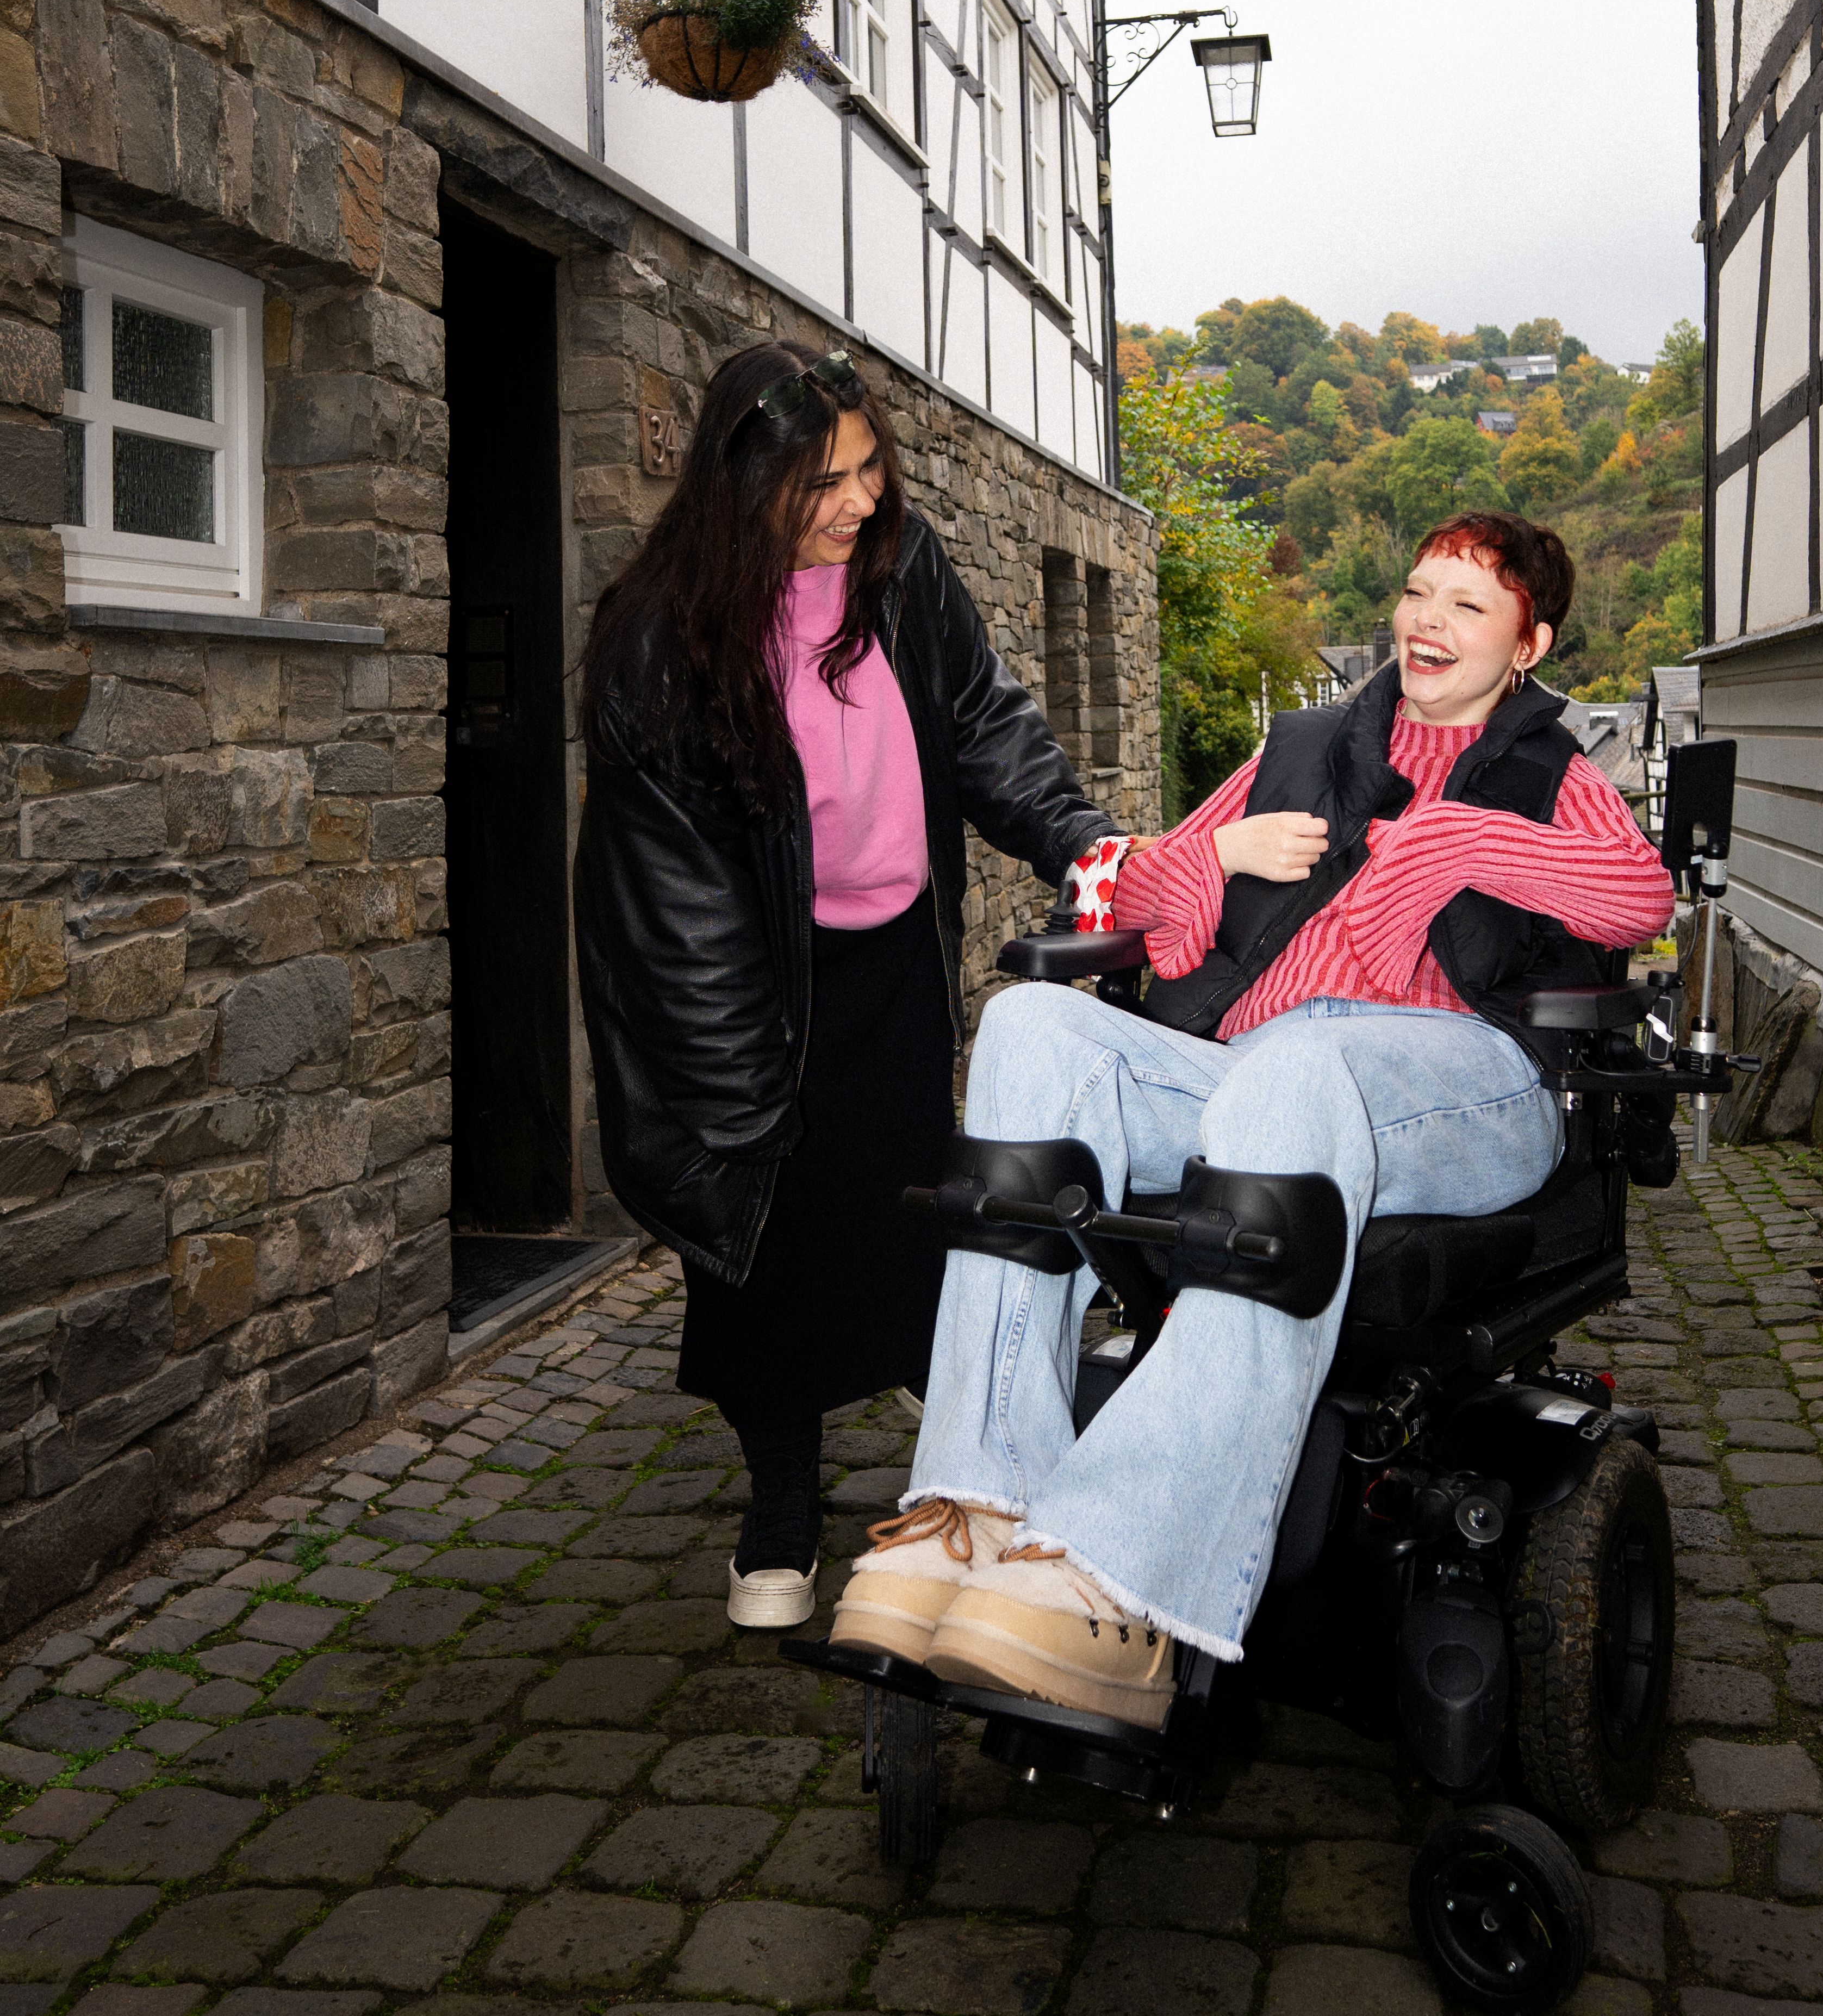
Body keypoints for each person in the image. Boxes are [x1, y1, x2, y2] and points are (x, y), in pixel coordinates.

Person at [831, 509, 1676, 1723]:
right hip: (1268, 1072)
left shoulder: (1553, 773)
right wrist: (1219, 849)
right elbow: (1130, 880)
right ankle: (978, 1504)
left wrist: (1450, 845)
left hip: (1471, 1087)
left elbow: (1635, 892)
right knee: (1034, 1028)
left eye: (1469, 604)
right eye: (1419, 591)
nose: (1428, 620)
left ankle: (1121, 1565)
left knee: (1302, 1060)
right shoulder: (1307, 747)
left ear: (1529, 645)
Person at [573, 339, 1117, 1630]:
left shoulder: (904, 567)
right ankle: (779, 1502)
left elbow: (981, 724)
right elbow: (679, 908)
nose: (863, 501)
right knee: (767, 1243)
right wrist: (739, 1091)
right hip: (752, 986)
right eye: (828, 481)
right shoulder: (661, 637)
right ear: (746, 483)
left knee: (908, 1208)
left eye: (872, 467)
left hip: (893, 964)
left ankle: (955, 1450)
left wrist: (1082, 840)